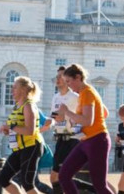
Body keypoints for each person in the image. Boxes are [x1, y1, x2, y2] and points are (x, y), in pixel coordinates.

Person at [57, 64, 114, 194]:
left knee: (99, 185)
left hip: (97, 140)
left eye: (69, 81)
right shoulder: (85, 93)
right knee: (64, 175)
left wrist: (67, 112)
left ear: (78, 77)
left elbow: (88, 121)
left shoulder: (87, 92)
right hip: (88, 140)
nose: (68, 85)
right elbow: (104, 113)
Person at [0, 76, 44, 194]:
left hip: (31, 146)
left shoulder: (28, 105)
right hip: (19, 148)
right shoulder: (17, 107)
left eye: (14, 88)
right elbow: (18, 129)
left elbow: (30, 131)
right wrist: (8, 131)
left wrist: (11, 127)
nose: (11, 91)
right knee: (3, 178)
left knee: (27, 183)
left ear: (23, 90)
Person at [49, 66, 79, 194]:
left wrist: (66, 116)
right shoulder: (55, 97)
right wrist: (48, 122)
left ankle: (95, 189)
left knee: (59, 176)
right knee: (57, 177)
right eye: (56, 77)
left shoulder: (75, 97)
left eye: (60, 76)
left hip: (72, 139)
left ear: (67, 79)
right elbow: (54, 117)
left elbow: (81, 118)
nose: (57, 79)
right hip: (60, 139)